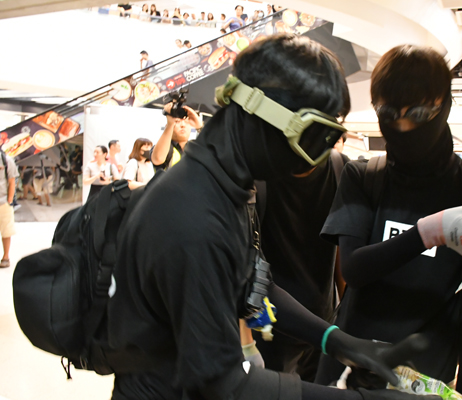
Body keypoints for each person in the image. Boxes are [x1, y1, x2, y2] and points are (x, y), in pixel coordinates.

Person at [108, 34, 431, 400]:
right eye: (312, 138)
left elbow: (254, 284)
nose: (315, 161)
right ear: (260, 110)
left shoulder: (227, 187)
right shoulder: (192, 215)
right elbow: (222, 384)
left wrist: (338, 341)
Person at [314, 45, 462, 400]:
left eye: (417, 113)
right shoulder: (364, 177)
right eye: (388, 114)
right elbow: (354, 269)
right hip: (349, 365)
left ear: (444, 106)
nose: (402, 127)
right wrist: (429, 233)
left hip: (424, 376)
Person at [253, 148, 349, 382]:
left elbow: (341, 246)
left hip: (323, 322)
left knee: (318, 389)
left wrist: (344, 316)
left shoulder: (340, 167)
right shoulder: (257, 176)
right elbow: (244, 265)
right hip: (272, 326)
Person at [150, 102, 201, 171]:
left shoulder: (194, 147)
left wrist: (200, 127)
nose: (183, 125)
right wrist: (170, 124)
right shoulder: (166, 148)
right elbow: (158, 159)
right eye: (177, 121)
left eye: (186, 122)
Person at [0, 151, 17, 268]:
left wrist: (9, 200)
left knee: (6, 231)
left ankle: (5, 257)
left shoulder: (6, 160)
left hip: (3, 202)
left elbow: (12, 181)